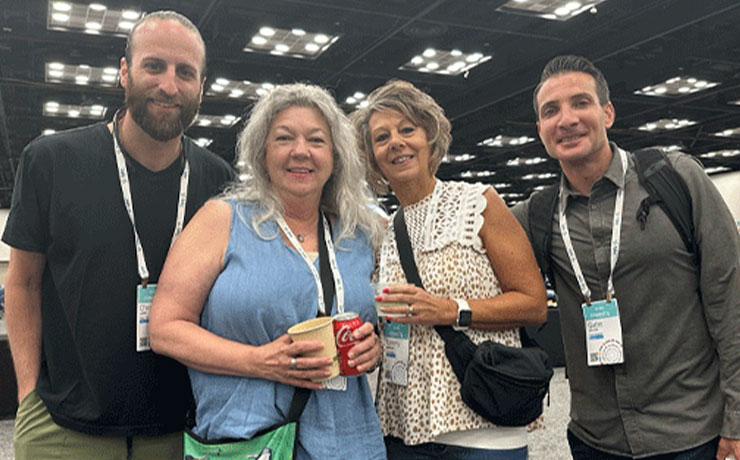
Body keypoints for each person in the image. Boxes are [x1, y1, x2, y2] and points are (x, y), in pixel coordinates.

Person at [2, 11, 234, 460]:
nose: (169, 85)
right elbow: (23, 281)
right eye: (154, 66)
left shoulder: (217, 181)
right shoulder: (51, 161)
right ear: (124, 71)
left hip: (178, 430)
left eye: (185, 72)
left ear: (201, 87)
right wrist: (28, 395)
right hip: (64, 429)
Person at [511, 55, 740, 459]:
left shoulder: (676, 179)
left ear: (608, 112)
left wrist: (738, 418)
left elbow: (731, 299)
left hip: (690, 434)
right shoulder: (538, 214)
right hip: (595, 440)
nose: (566, 119)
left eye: (580, 103)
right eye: (551, 111)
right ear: (540, 130)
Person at [148, 83, 387, 459]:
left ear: (336, 155)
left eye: (316, 140)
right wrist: (259, 362)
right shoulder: (222, 219)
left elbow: (371, 320)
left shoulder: (357, 236)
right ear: (261, 152)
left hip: (350, 444)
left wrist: (372, 347)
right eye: (284, 138)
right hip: (248, 440)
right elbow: (164, 329)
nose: (300, 151)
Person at [351, 80, 547, 460]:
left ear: (429, 137)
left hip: (481, 425)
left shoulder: (478, 203)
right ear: (372, 156)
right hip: (404, 430)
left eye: (407, 129)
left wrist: (450, 309)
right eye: (382, 137)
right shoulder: (386, 232)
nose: (396, 142)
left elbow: (534, 304)